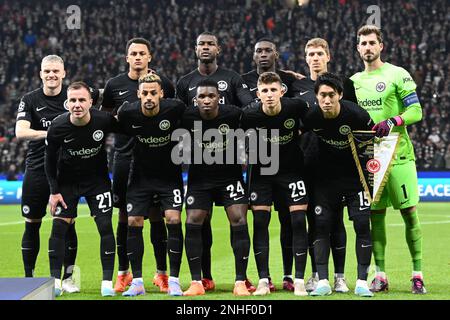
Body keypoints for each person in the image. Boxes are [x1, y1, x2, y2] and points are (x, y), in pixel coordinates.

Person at [176, 31, 254, 292]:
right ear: (195, 49)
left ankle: (241, 279)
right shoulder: (185, 83)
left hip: (229, 166)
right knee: (199, 221)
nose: (205, 48)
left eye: (210, 44)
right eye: (201, 44)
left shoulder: (232, 79)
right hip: (199, 169)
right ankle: (203, 278)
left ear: (218, 49)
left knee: (238, 219)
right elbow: (174, 114)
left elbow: (249, 107)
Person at [351, 25, 426, 294]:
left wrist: (394, 120)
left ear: (381, 46)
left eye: (372, 42)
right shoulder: (354, 82)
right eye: (363, 43)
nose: (368, 47)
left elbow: (416, 110)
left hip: (399, 156)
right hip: (370, 160)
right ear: (358, 48)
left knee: (409, 214)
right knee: (375, 217)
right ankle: (380, 274)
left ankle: (417, 274)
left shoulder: (397, 74)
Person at [15, 55, 98, 293]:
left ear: (63, 73)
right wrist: (53, 133)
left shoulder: (72, 97)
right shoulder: (29, 99)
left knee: (66, 225)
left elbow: (103, 95)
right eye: (47, 71)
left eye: (55, 71)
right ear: (41, 74)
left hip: (67, 171)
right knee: (32, 224)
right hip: (37, 168)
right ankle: (29, 279)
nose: (51, 75)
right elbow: (20, 131)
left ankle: (68, 279)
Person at [101, 38, 175, 293]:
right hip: (124, 157)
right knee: (125, 215)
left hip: (155, 158)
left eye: (142, 53)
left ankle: (162, 273)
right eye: (133, 53)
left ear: (150, 57)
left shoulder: (162, 83)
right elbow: (105, 118)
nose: (138, 57)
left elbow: (172, 115)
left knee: (157, 215)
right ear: (127, 57)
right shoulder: (114, 85)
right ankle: (124, 273)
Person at [304, 72, 374, 297]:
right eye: (322, 95)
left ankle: (362, 282)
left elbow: (375, 144)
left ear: (340, 95)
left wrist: (372, 178)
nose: (326, 100)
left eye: (331, 95)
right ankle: (323, 281)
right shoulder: (312, 116)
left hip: (355, 180)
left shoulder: (357, 115)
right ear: (316, 97)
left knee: (362, 225)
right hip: (325, 180)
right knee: (322, 225)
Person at [241, 38, 303, 291]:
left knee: (296, 222)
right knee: (260, 223)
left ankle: (295, 279)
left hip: (291, 171)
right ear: (258, 94)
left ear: (282, 91)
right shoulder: (249, 115)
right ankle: (264, 279)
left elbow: (313, 122)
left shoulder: (295, 107)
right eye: (264, 91)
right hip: (262, 174)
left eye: (272, 90)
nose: (268, 94)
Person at [45, 82, 117, 297]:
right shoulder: (57, 126)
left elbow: (129, 128)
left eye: (82, 100)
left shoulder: (103, 120)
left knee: (105, 226)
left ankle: (106, 283)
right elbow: (49, 163)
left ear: (90, 102)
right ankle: (56, 282)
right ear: (67, 103)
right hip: (67, 183)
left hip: (98, 182)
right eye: (73, 100)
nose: (77, 104)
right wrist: (54, 191)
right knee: (59, 229)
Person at [116, 73, 185, 297]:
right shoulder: (128, 112)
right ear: (138, 94)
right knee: (134, 221)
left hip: (169, 176)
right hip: (140, 177)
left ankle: (173, 280)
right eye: (144, 93)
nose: (149, 97)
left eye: (153, 93)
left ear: (161, 94)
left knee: (174, 219)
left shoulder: (174, 108)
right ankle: (137, 282)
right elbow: (113, 125)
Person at [298, 38, 351, 293]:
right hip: (307, 165)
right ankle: (317, 274)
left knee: (337, 221)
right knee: (314, 222)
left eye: (320, 53)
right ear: (306, 58)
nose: (316, 57)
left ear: (328, 56)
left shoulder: (342, 86)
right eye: (311, 54)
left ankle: (340, 276)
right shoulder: (296, 86)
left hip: (336, 166)